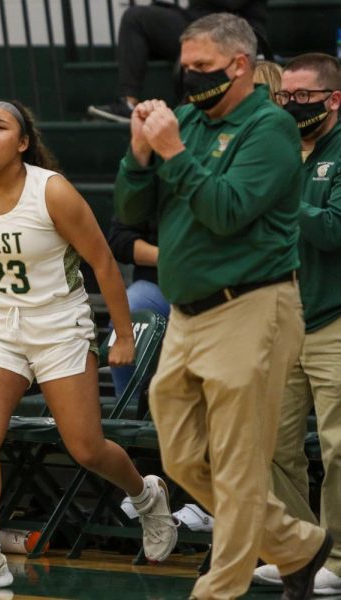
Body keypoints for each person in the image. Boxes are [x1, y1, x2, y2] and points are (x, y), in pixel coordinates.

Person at [114, 13, 331, 599]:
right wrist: (139, 155)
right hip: (188, 312)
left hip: (252, 306)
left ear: (240, 65)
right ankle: (296, 544)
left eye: (203, 68)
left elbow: (228, 211)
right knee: (183, 456)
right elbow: (131, 211)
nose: (190, 81)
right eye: (185, 68)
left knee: (238, 468)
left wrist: (173, 152)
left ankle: (219, 590)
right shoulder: (185, 120)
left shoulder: (272, 128)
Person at [0, 100, 176, 591]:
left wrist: (124, 335)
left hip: (59, 325)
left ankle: (147, 495)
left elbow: (105, 264)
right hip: (0, 325)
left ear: (22, 143)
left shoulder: (53, 192)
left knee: (85, 446)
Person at [252, 53, 341, 596]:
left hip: (333, 319)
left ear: (333, 99)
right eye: (285, 97)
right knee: (274, 446)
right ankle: (304, 548)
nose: (290, 107)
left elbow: (333, 229)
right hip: (280, 320)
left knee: (338, 447)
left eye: (303, 98)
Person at [88, 0, 267, 123]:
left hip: (236, 28)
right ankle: (129, 103)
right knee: (135, 17)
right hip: (198, 21)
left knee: (200, 50)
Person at [105, 216, 167, 398]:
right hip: (159, 281)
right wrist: (171, 259)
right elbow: (119, 239)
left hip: (222, 286)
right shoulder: (147, 189)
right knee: (132, 309)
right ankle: (128, 408)